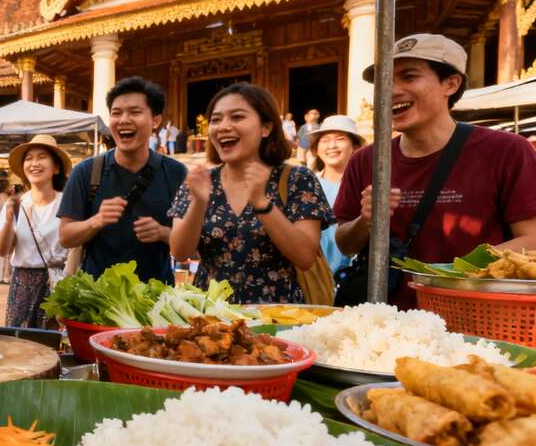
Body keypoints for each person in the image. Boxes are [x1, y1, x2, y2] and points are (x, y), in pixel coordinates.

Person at [334, 34, 536, 308]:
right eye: (385, 81)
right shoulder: (365, 160)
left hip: (477, 315)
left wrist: (448, 274)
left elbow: (531, 238)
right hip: (387, 318)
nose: (391, 91)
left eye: (409, 77)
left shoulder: (506, 150)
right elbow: (345, 244)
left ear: (451, 84)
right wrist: (365, 221)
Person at [168, 83, 333, 304]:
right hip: (212, 316)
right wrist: (198, 203)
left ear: (266, 127)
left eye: (237, 117)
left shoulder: (297, 179)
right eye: (216, 120)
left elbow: (305, 257)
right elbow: (180, 252)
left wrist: (262, 204)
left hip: (279, 317)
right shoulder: (200, 181)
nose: (223, 126)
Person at [60, 77, 187, 284]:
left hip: (156, 296)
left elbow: (190, 248)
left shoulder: (176, 173)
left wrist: (163, 233)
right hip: (97, 295)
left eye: (135, 112)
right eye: (116, 113)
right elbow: (65, 236)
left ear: (156, 121)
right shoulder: (86, 171)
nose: (124, 120)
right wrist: (96, 221)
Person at [0, 135, 69, 328]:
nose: (34, 163)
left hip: (59, 283)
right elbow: (2, 250)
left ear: (56, 167)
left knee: (55, 339)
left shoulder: (67, 203)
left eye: (42, 157)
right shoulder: (16, 204)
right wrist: (9, 218)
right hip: (22, 284)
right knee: (20, 340)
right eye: (29, 158)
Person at [309, 115, 363, 277]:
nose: (332, 145)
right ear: (316, 148)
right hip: (312, 275)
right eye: (325, 140)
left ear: (354, 147)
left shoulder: (364, 187)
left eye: (340, 139)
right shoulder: (306, 185)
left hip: (351, 276)